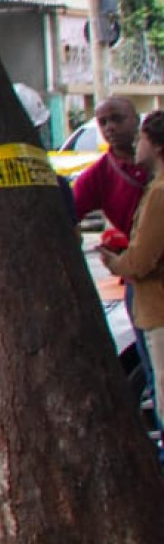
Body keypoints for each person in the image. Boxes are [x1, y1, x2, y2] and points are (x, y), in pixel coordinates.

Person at [72, 96, 155, 396]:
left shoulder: (155, 165)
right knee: (155, 369)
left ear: (136, 120)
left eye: (117, 119)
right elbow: (67, 212)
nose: (110, 128)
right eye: (103, 122)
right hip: (142, 282)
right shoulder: (99, 175)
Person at [102, 109, 164, 428]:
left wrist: (113, 261)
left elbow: (142, 259)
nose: (136, 145)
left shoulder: (159, 193)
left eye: (142, 139)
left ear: (157, 146)